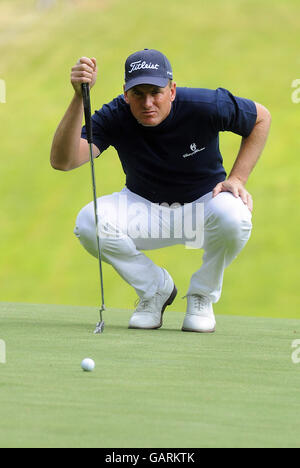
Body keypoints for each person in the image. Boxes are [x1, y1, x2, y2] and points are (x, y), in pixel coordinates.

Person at [50, 49, 271, 333]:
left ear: (172, 90)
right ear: (126, 93)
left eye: (156, 92)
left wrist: (238, 178)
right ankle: (155, 289)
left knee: (235, 215)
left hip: (204, 207)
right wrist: (79, 98)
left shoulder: (204, 105)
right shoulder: (117, 114)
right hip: (143, 209)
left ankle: (202, 295)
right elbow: (64, 161)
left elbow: (260, 118)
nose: (148, 103)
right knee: (88, 221)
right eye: (138, 94)